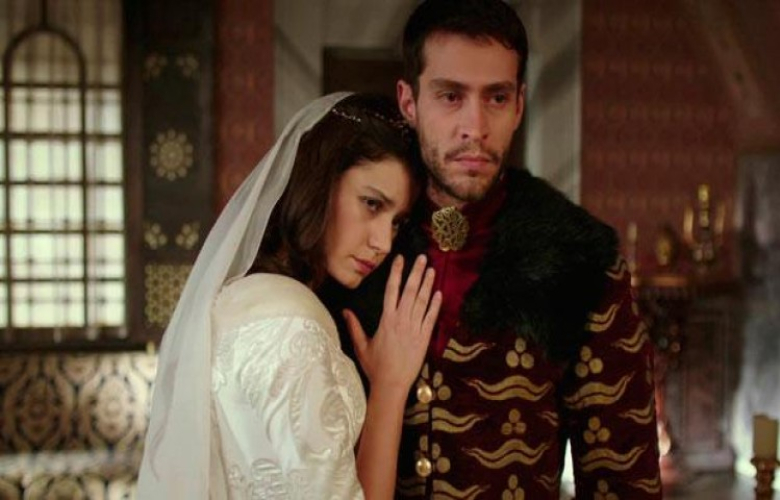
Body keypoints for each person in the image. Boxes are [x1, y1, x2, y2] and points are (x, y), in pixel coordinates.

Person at [341, 1, 662, 498]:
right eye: (450, 96)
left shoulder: (581, 260)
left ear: (519, 106)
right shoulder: (350, 249)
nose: (475, 127)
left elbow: (623, 481)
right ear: (409, 102)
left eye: (496, 97)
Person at [137, 92, 442, 499]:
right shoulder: (292, 324)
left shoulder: (237, 297)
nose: (383, 242)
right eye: (371, 204)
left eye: (397, 222)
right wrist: (389, 386)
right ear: (320, 182)